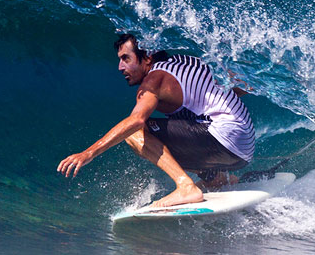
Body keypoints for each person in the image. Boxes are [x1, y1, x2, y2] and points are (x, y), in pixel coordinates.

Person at [56, 33, 255, 208]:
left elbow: (135, 121)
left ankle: (186, 187)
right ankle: (218, 180)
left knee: (135, 133)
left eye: (126, 58)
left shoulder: (154, 79)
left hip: (224, 139)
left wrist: (88, 153)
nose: (120, 67)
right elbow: (236, 89)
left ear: (147, 57)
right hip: (244, 148)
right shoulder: (185, 62)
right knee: (176, 130)